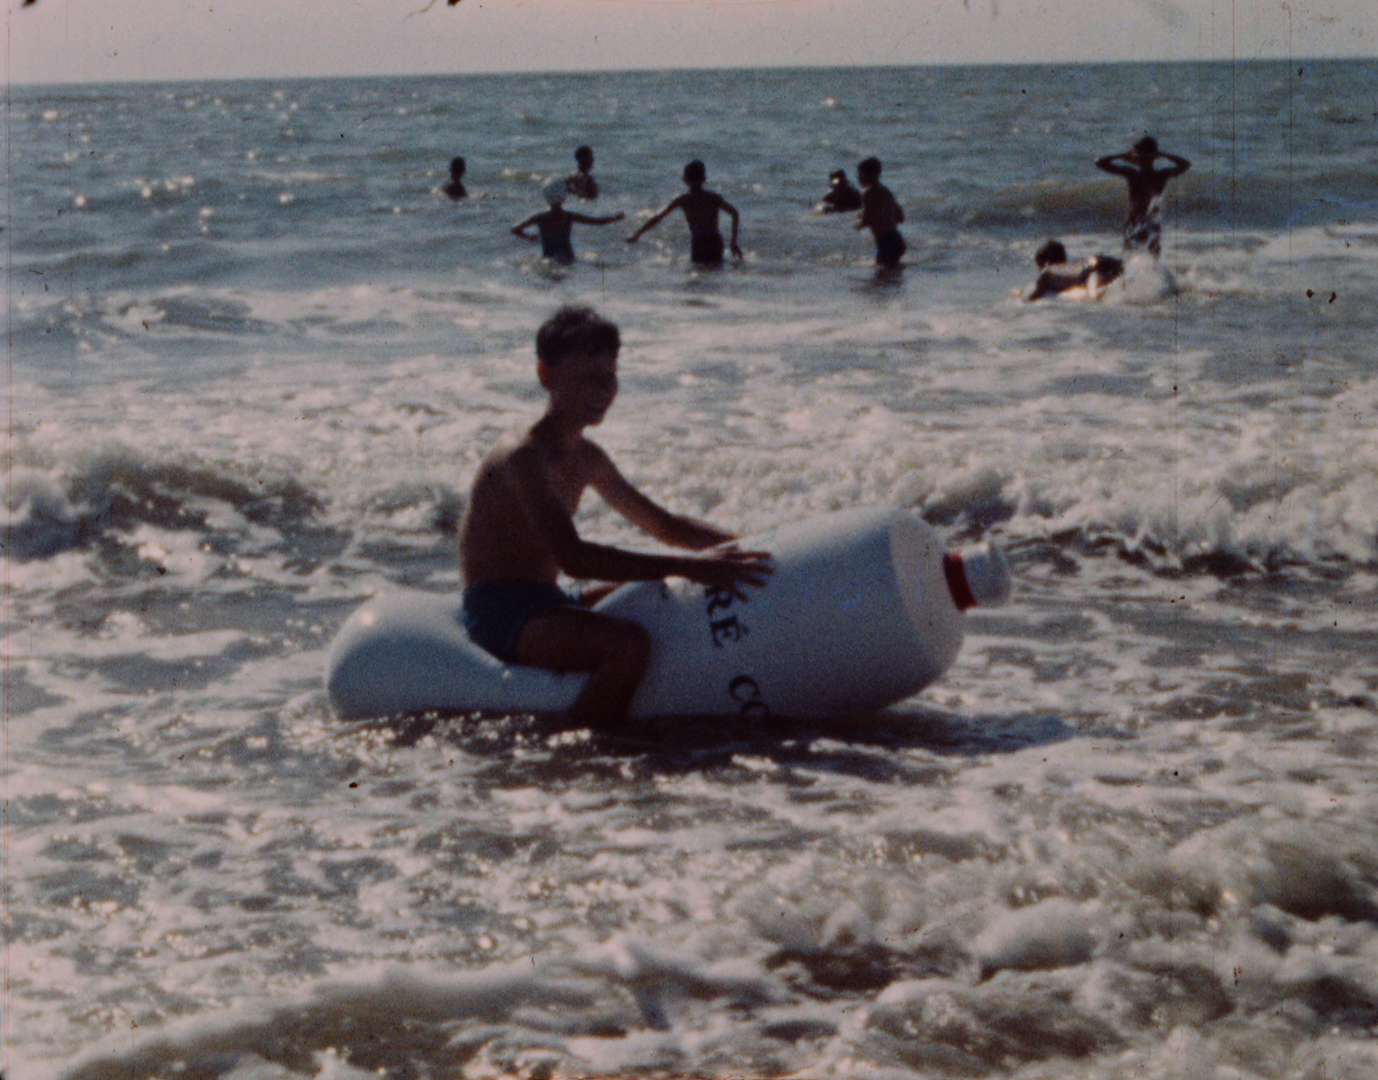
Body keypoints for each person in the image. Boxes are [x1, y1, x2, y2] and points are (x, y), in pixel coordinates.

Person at [458, 307, 772, 728]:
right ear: (545, 375)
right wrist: (692, 566)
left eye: (608, 377)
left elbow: (665, 526)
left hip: (549, 600)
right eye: (586, 378)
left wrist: (747, 546)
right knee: (628, 646)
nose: (601, 390)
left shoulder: (587, 458)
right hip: (500, 613)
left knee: (668, 589)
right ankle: (588, 752)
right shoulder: (522, 458)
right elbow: (573, 558)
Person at [626, 160, 742, 266]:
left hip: (699, 241)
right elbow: (734, 213)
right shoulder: (713, 198)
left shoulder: (684, 200)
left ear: (685, 181)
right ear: (704, 179)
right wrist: (733, 241)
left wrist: (637, 234)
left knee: (699, 276)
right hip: (714, 239)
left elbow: (658, 217)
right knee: (715, 272)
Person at [1095, 136, 1191, 257]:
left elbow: (1100, 162)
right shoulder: (1157, 175)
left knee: (1130, 258)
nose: (1140, 158)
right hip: (1149, 223)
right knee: (1151, 260)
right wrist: (1162, 155)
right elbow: (1185, 165)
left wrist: (1123, 156)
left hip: (1137, 222)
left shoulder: (1136, 174)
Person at [511, 178, 624, 264]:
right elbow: (599, 222)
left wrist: (529, 237)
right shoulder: (569, 216)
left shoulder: (539, 218)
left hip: (548, 259)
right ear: (564, 198)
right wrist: (615, 218)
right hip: (568, 260)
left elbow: (515, 230)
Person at [1024, 238, 1124, 301]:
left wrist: (1018, 300)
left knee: (1094, 296)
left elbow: (1033, 297)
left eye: (1039, 264)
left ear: (1045, 262)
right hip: (1098, 262)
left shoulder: (1047, 273)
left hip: (1090, 273)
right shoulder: (1070, 265)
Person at [855, 157, 905, 268]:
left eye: (860, 174)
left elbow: (867, 219)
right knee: (891, 274)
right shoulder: (886, 191)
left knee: (881, 278)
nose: (858, 178)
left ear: (868, 175)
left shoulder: (867, 193)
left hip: (885, 242)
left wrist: (858, 224)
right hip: (897, 239)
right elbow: (900, 217)